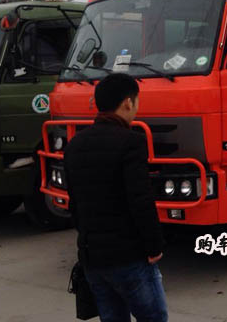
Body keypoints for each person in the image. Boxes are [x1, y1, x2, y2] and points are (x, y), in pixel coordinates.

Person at [64, 73, 168, 322]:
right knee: (154, 318)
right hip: (129, 257)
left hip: (93, 261)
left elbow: (75, 204)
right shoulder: (131, 142)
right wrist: (154, 246)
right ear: (128, 103)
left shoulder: (75, 144)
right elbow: (140, 200)